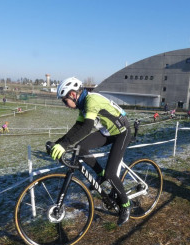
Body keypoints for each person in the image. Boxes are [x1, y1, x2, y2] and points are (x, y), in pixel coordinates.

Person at [48, 77, 132, 226]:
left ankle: (125, 205)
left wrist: (64, 145)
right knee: (80, 148)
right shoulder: (83, 104)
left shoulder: (91, 101)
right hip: (108, 131)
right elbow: (78, 127)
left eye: (64, 100)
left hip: (122, 132)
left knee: (111, 173)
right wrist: (59, 143)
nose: (65, 104)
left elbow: (87, 128)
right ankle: (100, 174)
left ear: (73, 95)